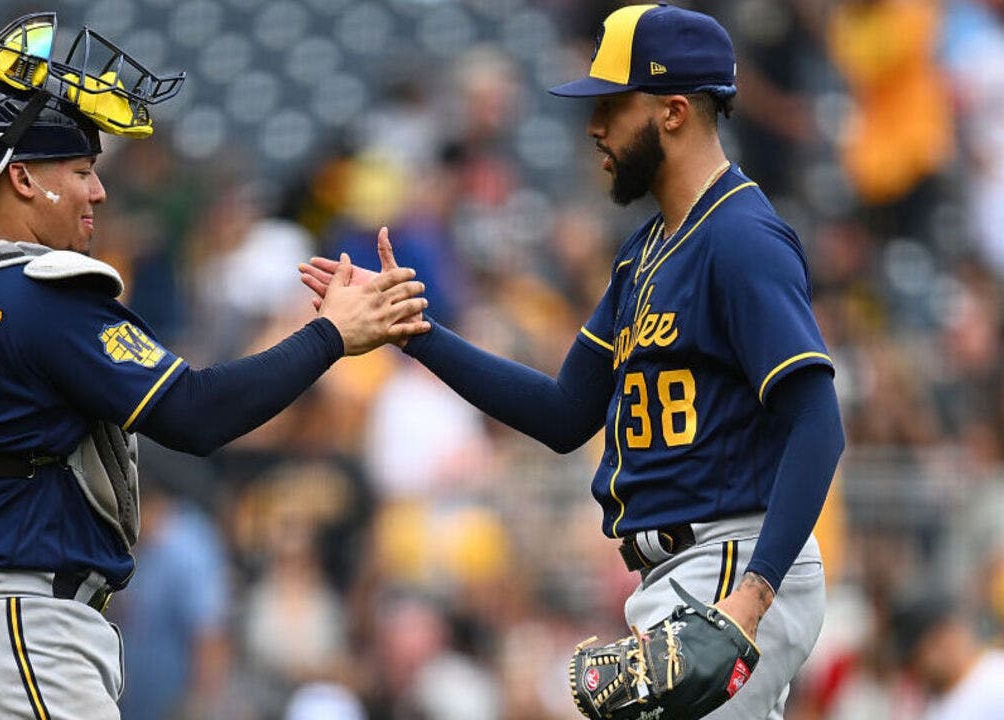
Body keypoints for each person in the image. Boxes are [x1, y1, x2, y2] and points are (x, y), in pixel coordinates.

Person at [0, 12, 428, 720]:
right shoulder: (43, 296)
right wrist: (329, 337)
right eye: (80, 170)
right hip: (30, 634)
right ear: (21, 178)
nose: (97, 192)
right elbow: (195, 413)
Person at [302, 4, 845, 718]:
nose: (594, 127)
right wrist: (414, 330)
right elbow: (564, 413)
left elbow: (818, 421)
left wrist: (754, 594)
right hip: (687, 570)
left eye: (613, 106)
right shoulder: (645, 253)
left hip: (733, 563)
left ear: (674, 111)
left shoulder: (741, 238)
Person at [891, 592, 1004, 719]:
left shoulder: (998, 683)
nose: (915, 669)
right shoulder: (937, 704)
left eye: (917, 656)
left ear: (943, 638)